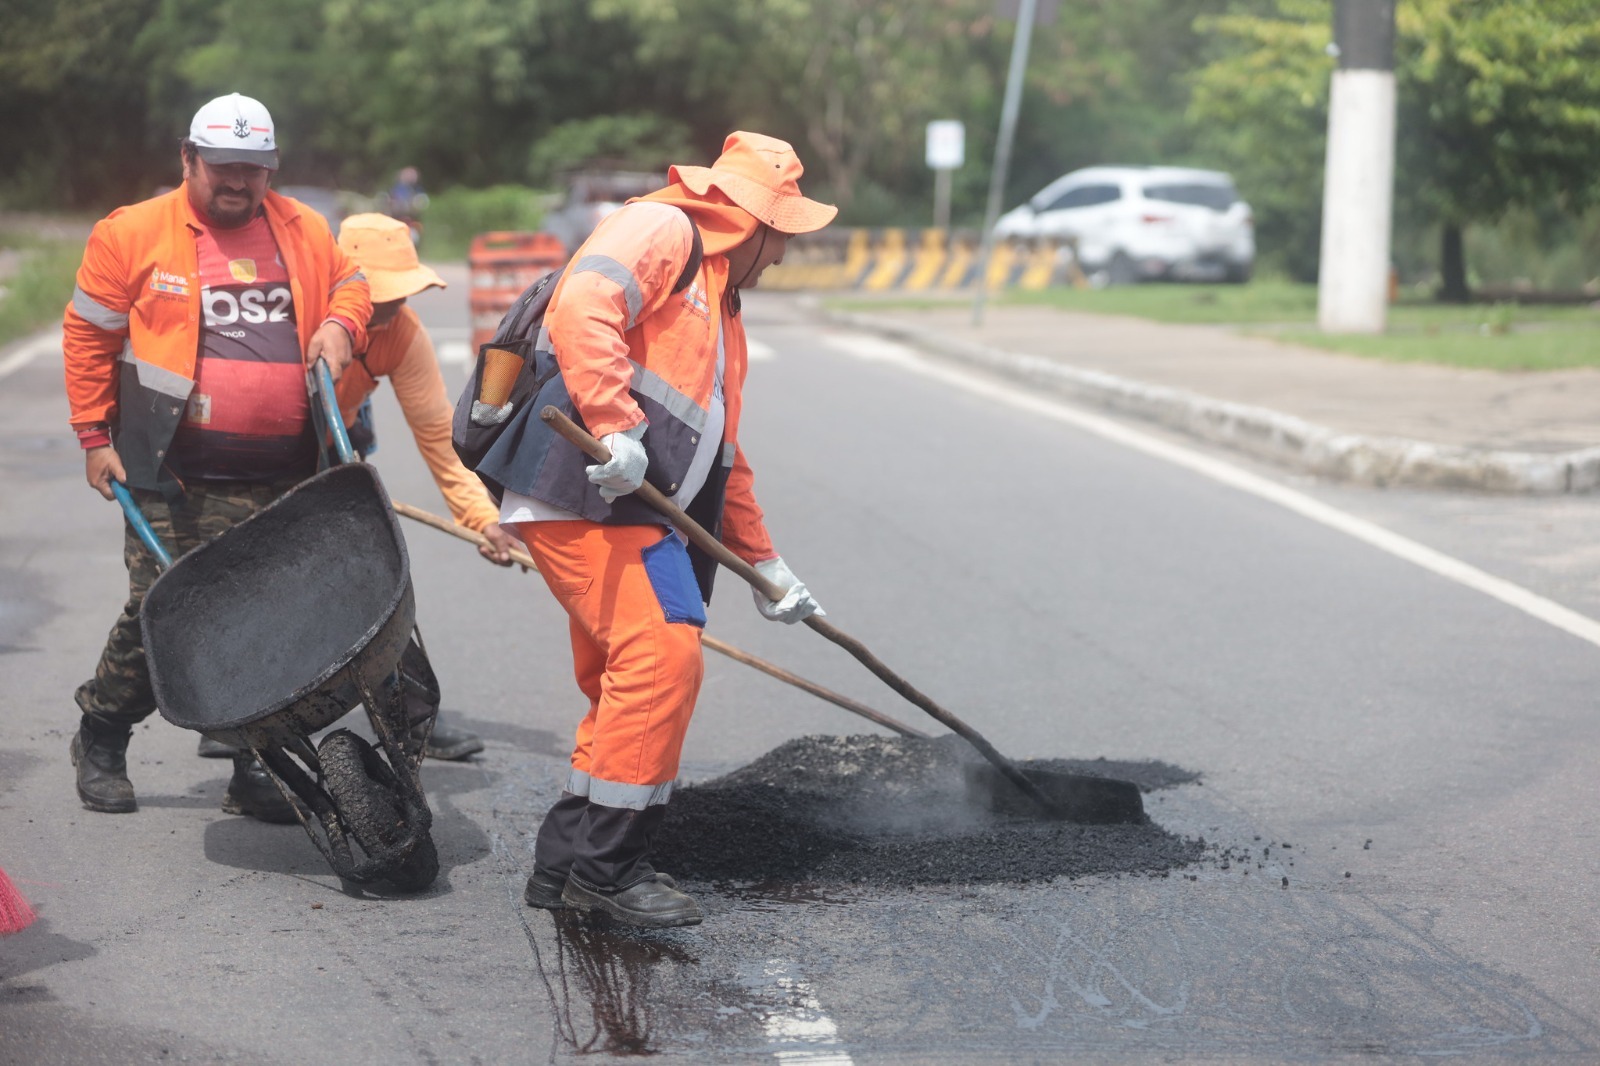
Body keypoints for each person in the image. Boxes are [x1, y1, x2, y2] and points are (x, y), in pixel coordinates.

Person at [475, 132, 836, 927]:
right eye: (782, 236)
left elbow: (723, 454)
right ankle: (608, 872)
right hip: (586, 487)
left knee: (625, 677)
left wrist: (766, 564)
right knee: (661, 654)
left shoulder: (722, 307)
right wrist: (614, 427)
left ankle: (568, 856)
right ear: (753, 223)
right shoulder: (665, 230)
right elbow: (582, 307)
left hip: (632, 507)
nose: (781, 257)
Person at [63, 92, 372, 821]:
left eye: (254, 170)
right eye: (223, 168)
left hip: (289, 472)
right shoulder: (133, 233)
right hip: (171, 468)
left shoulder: (302, 227)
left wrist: (340, 324)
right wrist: (93, 437)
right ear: (187, 157)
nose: (238, 182)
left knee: (268, 623)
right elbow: (88, 337)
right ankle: (102, 735)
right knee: (161, 612)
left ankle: (253, 763)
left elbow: (354, 284)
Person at [196, 213, 518, 763]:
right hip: (258, 456)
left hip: (335, 453)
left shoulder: (403, 334)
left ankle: (407, 713)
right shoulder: (293, 315)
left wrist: (479, 517)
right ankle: (235, 716)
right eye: (381, 295)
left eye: (400, 294)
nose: (392, 307)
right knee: (261, 590)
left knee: (375, 578)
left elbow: (440, 439)